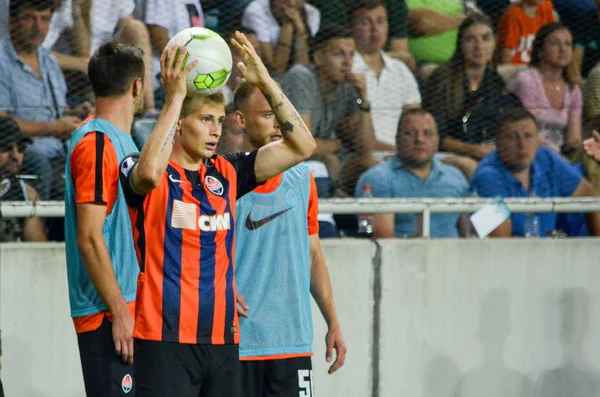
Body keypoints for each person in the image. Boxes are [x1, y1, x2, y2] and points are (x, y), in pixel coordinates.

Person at [118, 32, 316, 395]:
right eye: (205, 119)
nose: (216, 131)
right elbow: (146, 176)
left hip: (223, 341)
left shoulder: (226, 172)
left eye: (220, 120)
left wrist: (266, 82)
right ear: (180, 122)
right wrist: (175, 97)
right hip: (164, 339)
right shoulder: (146, 169)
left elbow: (303, 146)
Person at [231, 80, 346, 396]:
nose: (278, 124)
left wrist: (332, 321)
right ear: (240, 120)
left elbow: (313, 256)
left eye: (281, 115)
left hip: (292, 343)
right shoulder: (223, 181)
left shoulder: (303, 179)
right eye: (268, 114)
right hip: (238, 345)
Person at [64, 43, 150, 396]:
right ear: (137, 86)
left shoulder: (122, 140)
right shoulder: (97, 142)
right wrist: (120, 312)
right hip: (107, 314)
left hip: (129, 309)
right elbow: (89, 236)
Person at [471, 107, 600, 237]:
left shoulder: (547, 159)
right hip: (508, 255)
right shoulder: (485, 177)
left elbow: (589, 196)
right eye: (512, 137)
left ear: (537, 140)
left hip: (544, 252)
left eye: (528, 136)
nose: (522, 145)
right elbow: (500, 242)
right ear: (497, 142)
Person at [0, 0, 82, 200]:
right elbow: (2, 123)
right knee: (41, 165)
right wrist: (55, 128)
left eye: (44, 19)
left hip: (61, 149)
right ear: (12, 22)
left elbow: (57, 114)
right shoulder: (1, 61)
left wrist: (75, 113)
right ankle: (38, 229)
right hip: (22, 152)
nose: (38, 27)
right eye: (30, 18)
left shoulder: (49, 61)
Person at [282, 24, 375, 193]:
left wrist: (364, 100)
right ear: (318, 57)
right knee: (329, 160)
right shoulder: (301, 77)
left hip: (324, 160)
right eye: (339, 54)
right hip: (285, 159)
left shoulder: (347, 87)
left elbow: (366, 149)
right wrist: (339, 144)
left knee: (371, 164)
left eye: (351, 55)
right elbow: (303, 145)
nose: (347, 62)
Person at [422, 13, 513, 179]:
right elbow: (435, 135)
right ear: (460, 45)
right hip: (448, 156)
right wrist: (474, 150)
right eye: (471, 39)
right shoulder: (443, 78)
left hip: (486, 154)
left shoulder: (495, 80)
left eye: (486, 38)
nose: (479, 46)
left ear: (495, 43)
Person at [356, 108, 468, 238]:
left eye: (428, 133)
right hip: (400, 256)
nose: (419, 139)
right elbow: (384, 239)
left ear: (437, 140)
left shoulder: (455, 177)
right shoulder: (378, 178)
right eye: (410, 133)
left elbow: (470, 234)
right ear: (397, 139)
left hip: (454, 255)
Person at [349, 0, 421, 150]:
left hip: (404, 154)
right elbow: (351, 133)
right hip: (365, 153)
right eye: (366, 22)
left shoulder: (400, 69)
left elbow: (415, 120)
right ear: (351, 28)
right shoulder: (346, 70)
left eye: (381, 22)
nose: (375, 30)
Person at [508, 23, 582, 157]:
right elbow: (527, 133)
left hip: (558, 157)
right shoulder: (527, 81)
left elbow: (573, 139)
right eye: (555, 44)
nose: (563, 49)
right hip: (525, 152)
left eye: (567, 44)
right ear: (540, 51)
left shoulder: (573, 89)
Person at [242, 0, 320, 76]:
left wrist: (300, 33)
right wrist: (287, 27)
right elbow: (275, 70)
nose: (291, 3)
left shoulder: (312, 13)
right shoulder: (256, 10)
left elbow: (303, 69)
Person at [0, 116, 47, 242]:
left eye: (21, 148)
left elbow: (37, 248)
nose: (15, 155)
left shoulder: (27, 193)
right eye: (6, 148)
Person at [496, 0, 556, 66]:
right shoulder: (513, 15)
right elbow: (505, 56)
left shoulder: (546, 7)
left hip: (537, 68)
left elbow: (554, 37)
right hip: (516, 68)